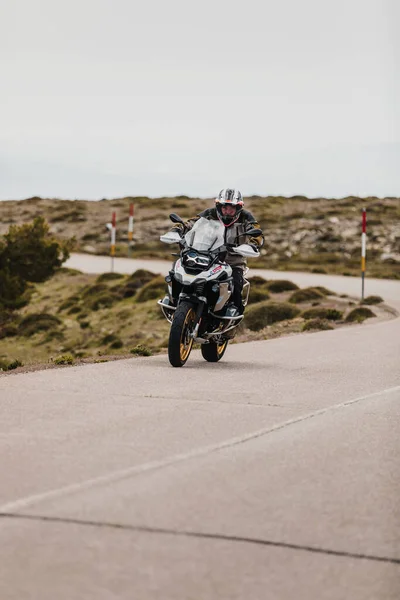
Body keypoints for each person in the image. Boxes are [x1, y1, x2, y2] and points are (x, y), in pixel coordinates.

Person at [171, 188, 264, 315]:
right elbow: (191, 222)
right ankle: (174, 302)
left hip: (233, 261)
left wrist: (253, 244)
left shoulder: (246, 217)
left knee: (236, 286)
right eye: (224, 207)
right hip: (207, 255)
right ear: (218, 206)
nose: (227, 211)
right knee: (179, 271)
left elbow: (257, 233)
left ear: (239, 208)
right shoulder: (210, 213)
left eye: (232, 208)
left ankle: (233, 316)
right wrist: (178, 229)